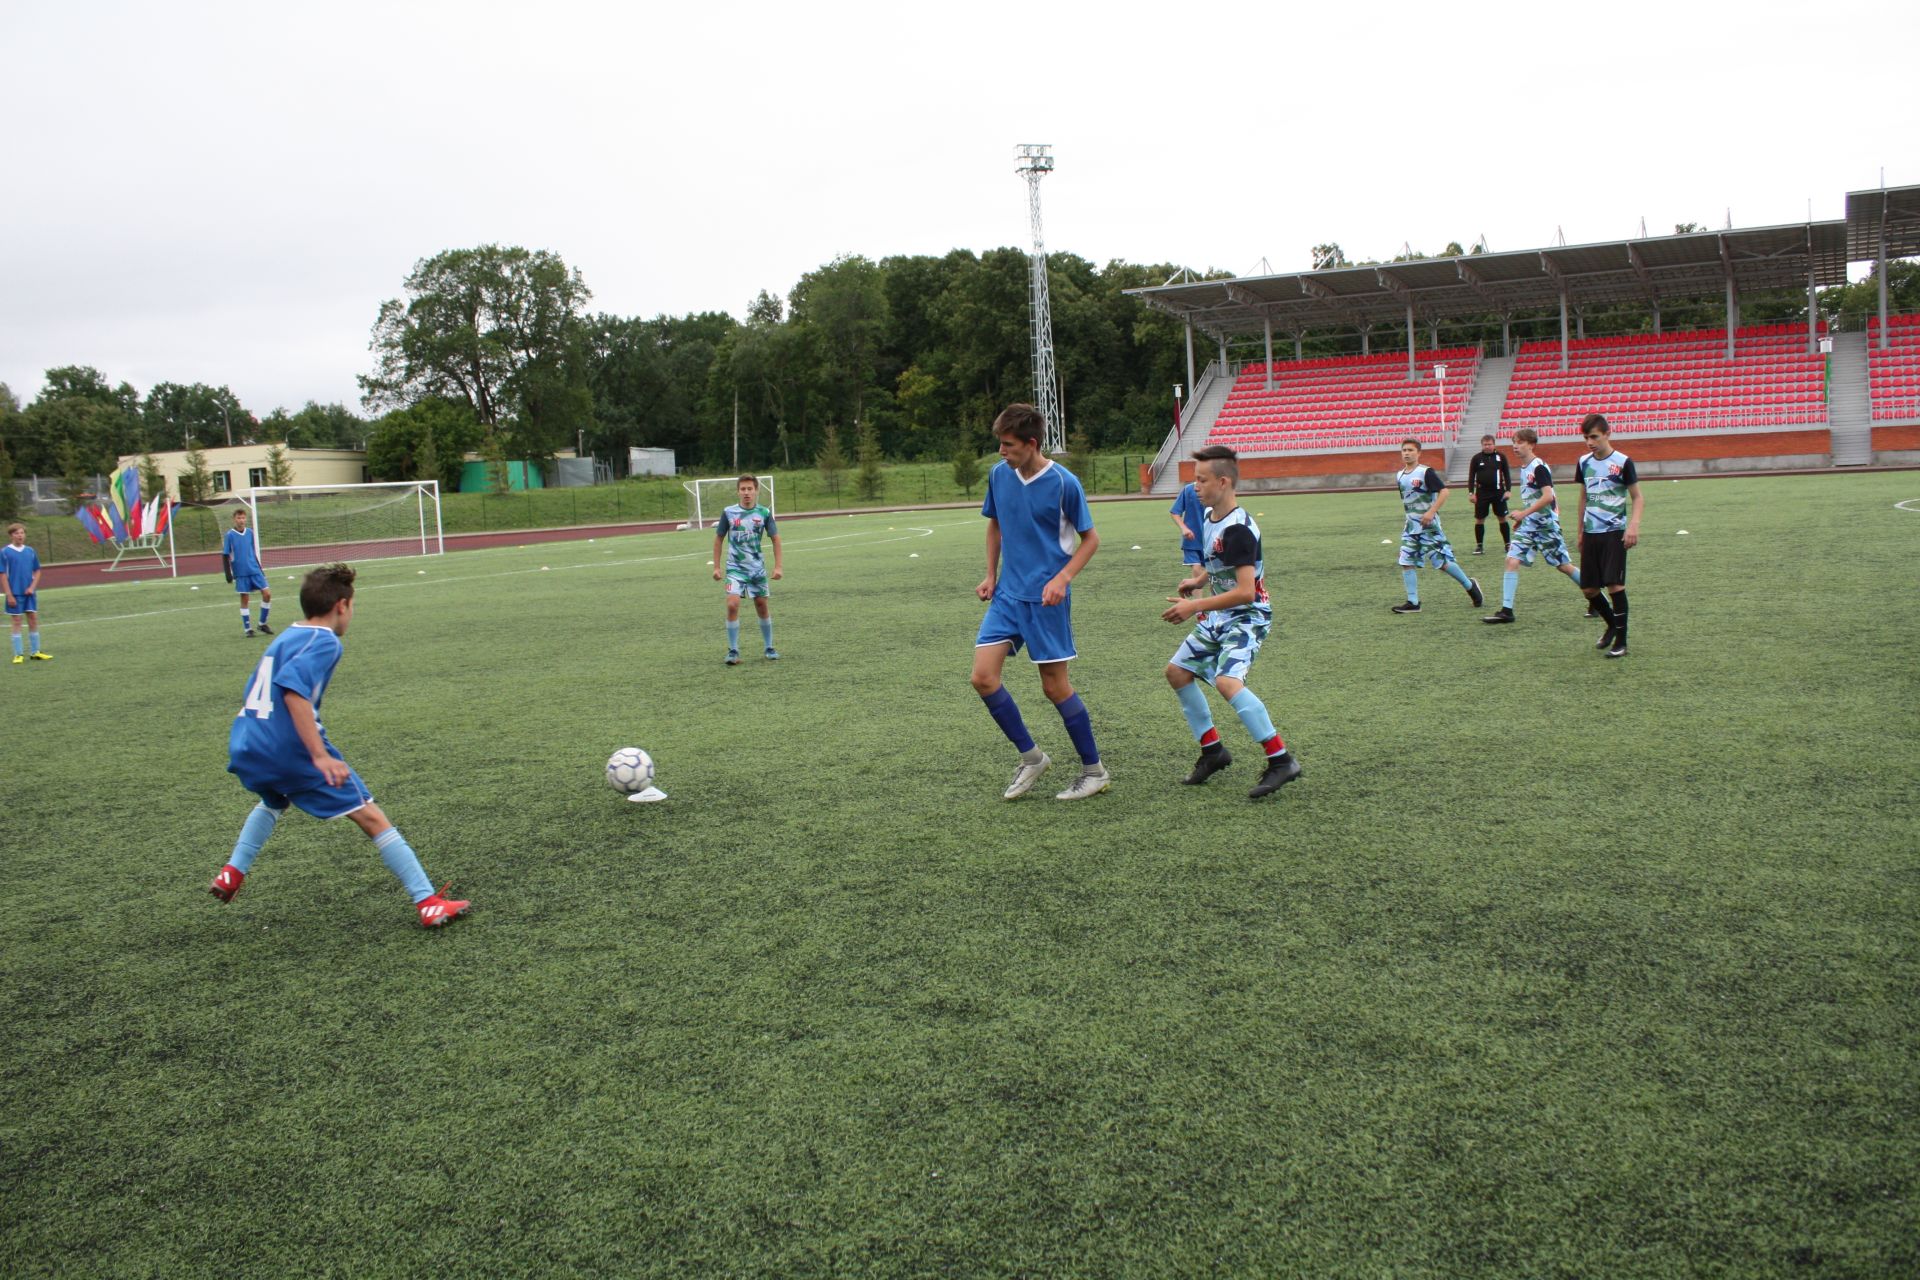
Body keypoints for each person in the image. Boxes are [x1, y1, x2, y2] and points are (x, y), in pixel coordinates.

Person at [210, 562, 471, 929]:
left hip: (247, 743)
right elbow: (293, 691)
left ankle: (233, 872)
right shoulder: (325, 641)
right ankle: (427, 902)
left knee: (272, 800)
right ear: (342, 606)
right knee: (371, 816)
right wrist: (319, 755)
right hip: (289, 749)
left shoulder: (287, 635)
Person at [969, 403, 1109, 801]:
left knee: (1054, 688)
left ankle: (1094, 771)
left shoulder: (1065, 483)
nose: (1001, 451)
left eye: (1008, 444)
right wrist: (991, 575)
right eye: (999, 443)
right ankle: (1032, 758)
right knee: (982, 677)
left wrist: (1063, 579)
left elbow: (1091, 539)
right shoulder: (999, 475)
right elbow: (995, 524)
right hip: (1008, 596)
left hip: (1046, 602)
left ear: (1031, 443)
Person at [1162, 446, 1301, 800]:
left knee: (1226, 682)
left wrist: (1195, 605)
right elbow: (1218, 567)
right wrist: (1198, 582)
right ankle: (1213, 752)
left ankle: (1281, 760)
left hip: (1247, 616)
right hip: (1220, 612)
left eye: (1201, 479)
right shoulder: (1211, 518)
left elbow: (1245, 593)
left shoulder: (1239, 528)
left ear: (1223, 482)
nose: (1194, 486)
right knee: (1177, 672)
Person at [1482, 428, 1582, 624]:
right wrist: (1522, 519)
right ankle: (1506, 610)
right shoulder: (1525, 467)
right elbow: (1533, 499)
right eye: (1513, 442)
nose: (1515, 446)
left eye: (1519, 442)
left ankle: (1594, 595)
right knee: (1511, 559)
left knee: (1563, 566)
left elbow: (1548, 497)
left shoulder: (1538, 467)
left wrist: (1523, 513)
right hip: (1530, 524)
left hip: (1546, 525)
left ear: (1531, 444)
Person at [1574, 414, 1644, 659]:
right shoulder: (1583, 462)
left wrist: (1633, 526)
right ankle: (1613, 624)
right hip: (1591, 533)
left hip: (1614, 532)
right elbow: (1583, 496)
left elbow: (1637, 497)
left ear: (1607, 434)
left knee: (1615, 585)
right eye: (1586, 437)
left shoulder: (1623, 462)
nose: (1589, 442)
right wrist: (1580, 531)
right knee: (1589, 590)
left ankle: (1621, 643)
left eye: (1594, 436)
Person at [1389, 439, 1483, 614]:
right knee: (1406, 561)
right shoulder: (1400, 475)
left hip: (1429, 527)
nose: (1406, 453)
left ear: (1419, 453)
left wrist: (1431, 512)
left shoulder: (1425, 472)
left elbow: (1445, 491)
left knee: (1443, 563)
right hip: (1410, 527)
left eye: (1410, 450)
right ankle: (1413, 602)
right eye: (1404, 450)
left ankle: (1470, 586)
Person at [712, 474, 782, 664]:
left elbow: (775, 539)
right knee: (732, 604)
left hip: (756, 569)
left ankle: (769, 647)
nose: (746, 493)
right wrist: (717, 567)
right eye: (743, 489)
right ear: (738, 491)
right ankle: (733, 650)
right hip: (735, 568)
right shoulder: (728, 513)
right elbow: (719, 538)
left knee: (761, 605)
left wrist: (778, 566)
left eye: (750, 489)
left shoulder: (765, 514)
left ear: (756, 490)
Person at [221, 508, 273, 637]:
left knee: (267, 594)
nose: (241, 520)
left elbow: (253, 552)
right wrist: (228, 574)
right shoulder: (230, 535)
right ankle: (248, 629)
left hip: (254, 570)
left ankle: (262, 624)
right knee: (245, 599)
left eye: (243, 518)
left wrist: (260, 569)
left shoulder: (250, 533)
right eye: (239, 518)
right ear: (234, 519)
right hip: (241, 572)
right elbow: (225, 555)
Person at [4, 522, 51, 663]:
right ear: (11, 535)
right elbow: (2, 575)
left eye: (22, 533)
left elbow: (37, 570)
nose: (20, 535)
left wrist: (32, 587)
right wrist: (9, 595)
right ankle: (18, 654)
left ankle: (35, 652)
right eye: (17, 533)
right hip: (15, 593)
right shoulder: (5, 552)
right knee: (16, 621)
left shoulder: (30, 551)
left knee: (33, 618)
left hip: (29, 593)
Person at [1465, 433, 1513, 555]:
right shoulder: (1476, 458)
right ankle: (1479, 546)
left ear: (1494, 444)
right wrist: (1471, 493)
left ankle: (1508, 544)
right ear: (1482, 445)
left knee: (1502, 518)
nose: (1487, 446)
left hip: (1498, 492)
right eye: (1485, 444)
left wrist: (1508, 490)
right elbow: (1471, 476)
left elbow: (1507, 474)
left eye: (1489, 444)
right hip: (1482, 493)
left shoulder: (1501, 457)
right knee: (1479, 519)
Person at [1168, 480, 1206, 576]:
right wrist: (1184, 528)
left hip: (1211, 539)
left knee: (1212, 574)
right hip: (1191, 539)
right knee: (1197, 568)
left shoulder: (1216, 490)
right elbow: (1175, 512)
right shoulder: (1188, 489)